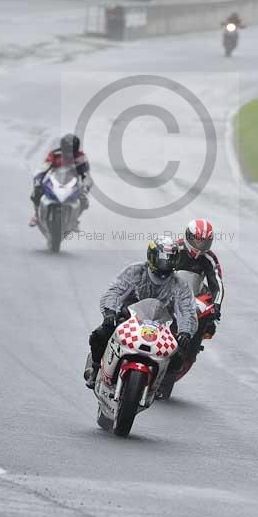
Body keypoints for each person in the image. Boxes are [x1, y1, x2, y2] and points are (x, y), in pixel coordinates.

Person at [85, 237, 198, 389]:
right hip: (129, 318)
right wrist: (110, 312)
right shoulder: (135, 271)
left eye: (170, 260)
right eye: (162, 259)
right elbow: (115, 291)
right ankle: (96, 367)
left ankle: (160, 383)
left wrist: (185, 332)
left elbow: (187, 310)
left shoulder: (179, 284)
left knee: (178, 357)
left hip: (162, 326)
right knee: (100, 334)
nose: (165, 264)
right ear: (151, 257)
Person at [28, 133, 92, 228]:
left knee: (84, 200)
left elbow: (86, 174)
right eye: (67, 150)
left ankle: (75, 219)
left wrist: (86, 186)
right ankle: (36, 215)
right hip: (55, 180)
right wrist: (38, 180)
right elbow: (43, 168)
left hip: (73, 183)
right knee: (36, 193)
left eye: (72, 151)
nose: (69, 154)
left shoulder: (81, 157)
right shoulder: (54, 154)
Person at [175, 219, 224, 337]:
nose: (201, 245)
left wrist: (216, 306)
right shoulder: (174, 248)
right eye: (198, 240)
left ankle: (191, 352)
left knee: (209, 325)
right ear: (189, 236)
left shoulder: (209, 258)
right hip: (170, 295)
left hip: (194, 299)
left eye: (205, 242)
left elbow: (217, 284)